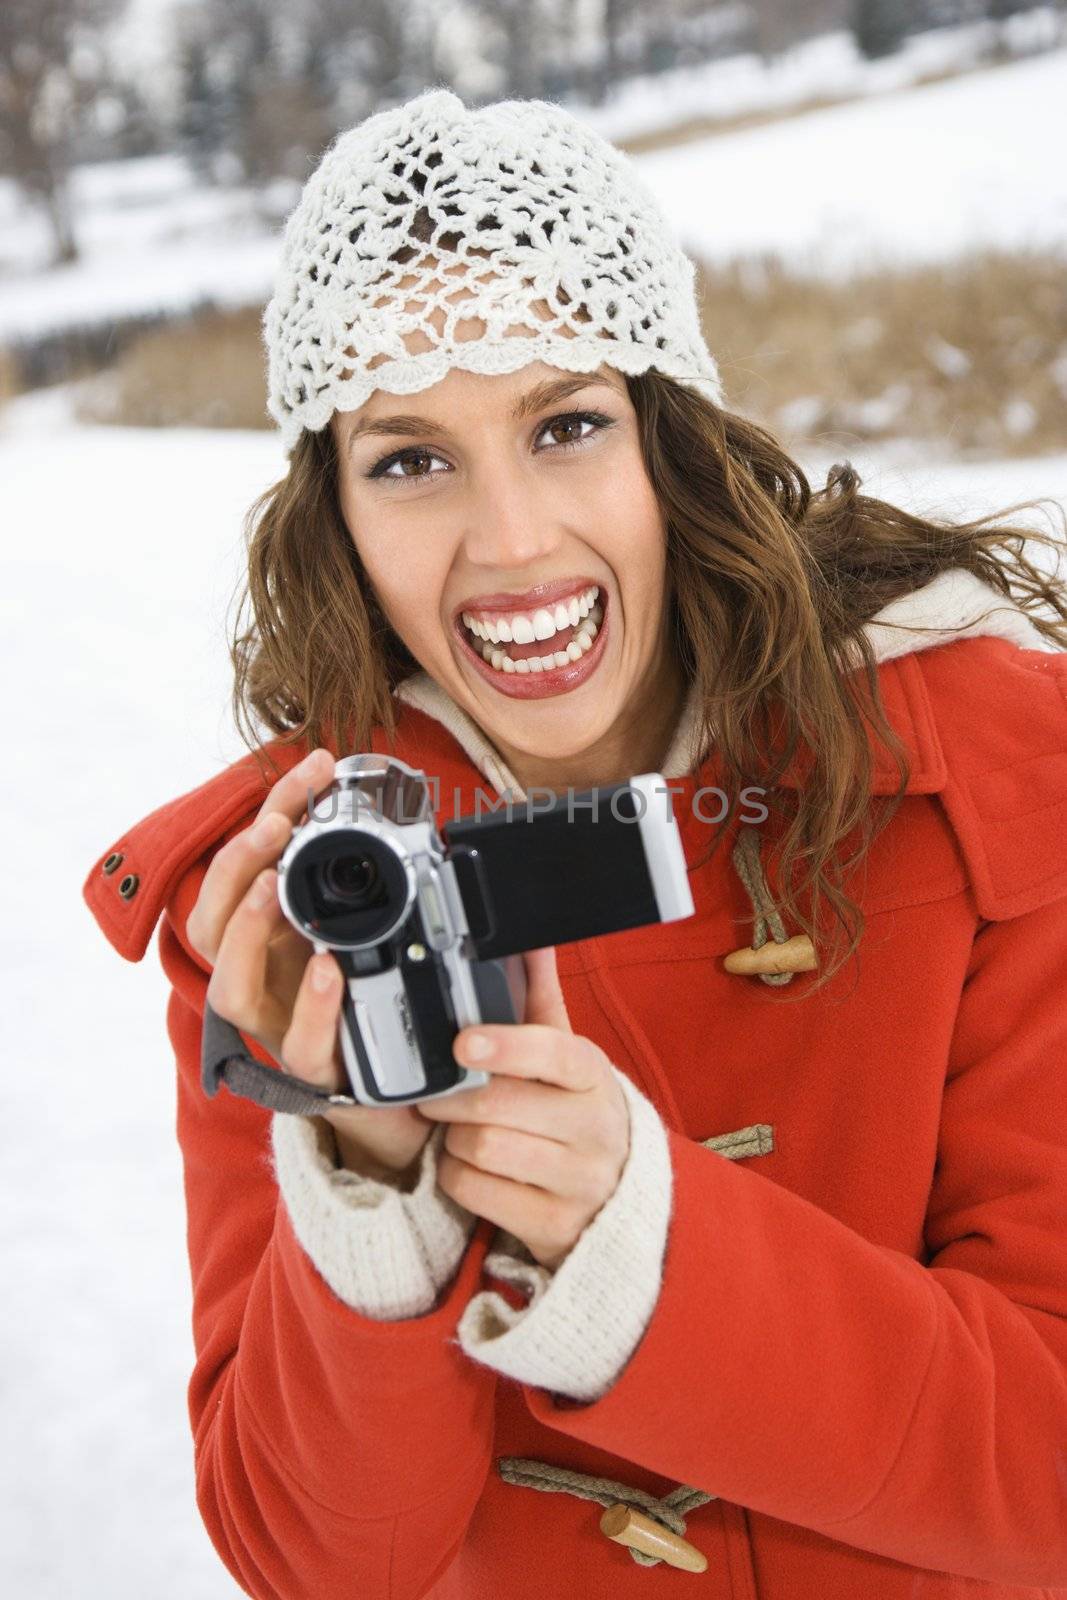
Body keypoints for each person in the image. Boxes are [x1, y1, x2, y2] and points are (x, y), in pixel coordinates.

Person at [83, 87, 1067, 1600]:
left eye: (566, 425)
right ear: (333, 512)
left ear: (668, 442)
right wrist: (373, 1193)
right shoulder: (298, 910)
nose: (516, 540)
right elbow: (321, 1563)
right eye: (412, 459)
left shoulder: (998, 772)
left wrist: (651, 1252)